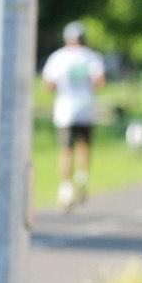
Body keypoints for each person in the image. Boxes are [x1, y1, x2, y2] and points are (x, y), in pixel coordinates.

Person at [42, 21, 106, 211]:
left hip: (65, 109)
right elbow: (100, 82)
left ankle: (65, 188)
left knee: (66, 150)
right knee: (84, 146)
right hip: (85, 107)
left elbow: (48, 86)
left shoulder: (58, 57)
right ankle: (82, 178)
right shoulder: (91, 57)